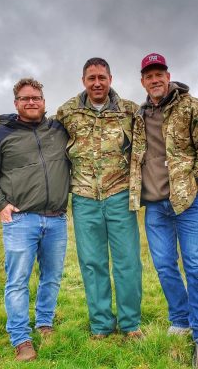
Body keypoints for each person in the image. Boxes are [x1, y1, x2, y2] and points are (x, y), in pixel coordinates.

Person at [129, 53, 198, 368]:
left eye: (159, 73)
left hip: (189, 204)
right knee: (164, 265)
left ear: (168, 76)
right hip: (155, 206)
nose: (155, 79)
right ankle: (180, 318)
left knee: (197, 267)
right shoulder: (138, 115)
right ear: (143, 81)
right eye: (149, 75)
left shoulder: (194, 108)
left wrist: (197, 179)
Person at [0, 78, 70, 361]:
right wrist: (0, 205)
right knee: (18, 281)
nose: (31, 102)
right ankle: (21, 339)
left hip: (56, 219)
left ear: (44, 101)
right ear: (16, 102)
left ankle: (44, 324)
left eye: (36, 97)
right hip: (21, 220)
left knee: (51, 278)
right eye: (25, 98)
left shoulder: (58, 130)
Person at [56, 58, 143, 339]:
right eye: (91, 78)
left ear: (110, 79)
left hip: (119, 196)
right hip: (83, 198)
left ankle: (131, 324)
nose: (97, 83)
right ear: (83, 80)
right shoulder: (67, 112)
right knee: (92, 263)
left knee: (127, 261)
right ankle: (101, 324)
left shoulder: (130, 110)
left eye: (102, 78)